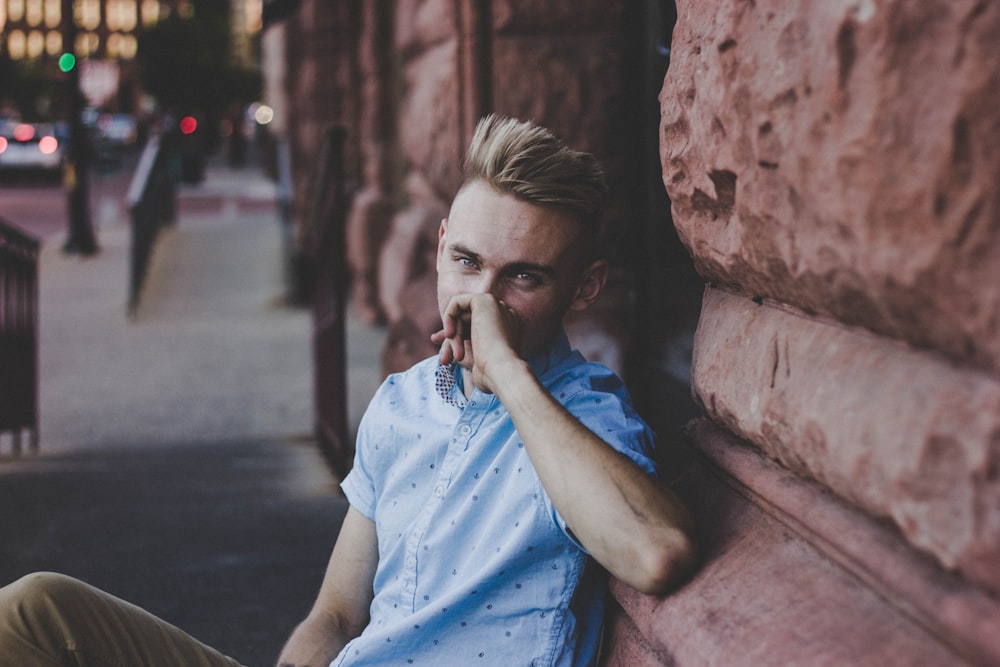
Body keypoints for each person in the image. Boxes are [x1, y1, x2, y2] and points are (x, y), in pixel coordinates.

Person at [0, 115, 695, 666]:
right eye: (466, 262)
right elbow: (334, 614)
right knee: (34, 612)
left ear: (586, 286)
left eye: (523, 277)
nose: (480, 300)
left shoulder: (583, 413)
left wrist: (508, 374)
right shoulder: (405, 402)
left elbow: (654, 549)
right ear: (441, 243)